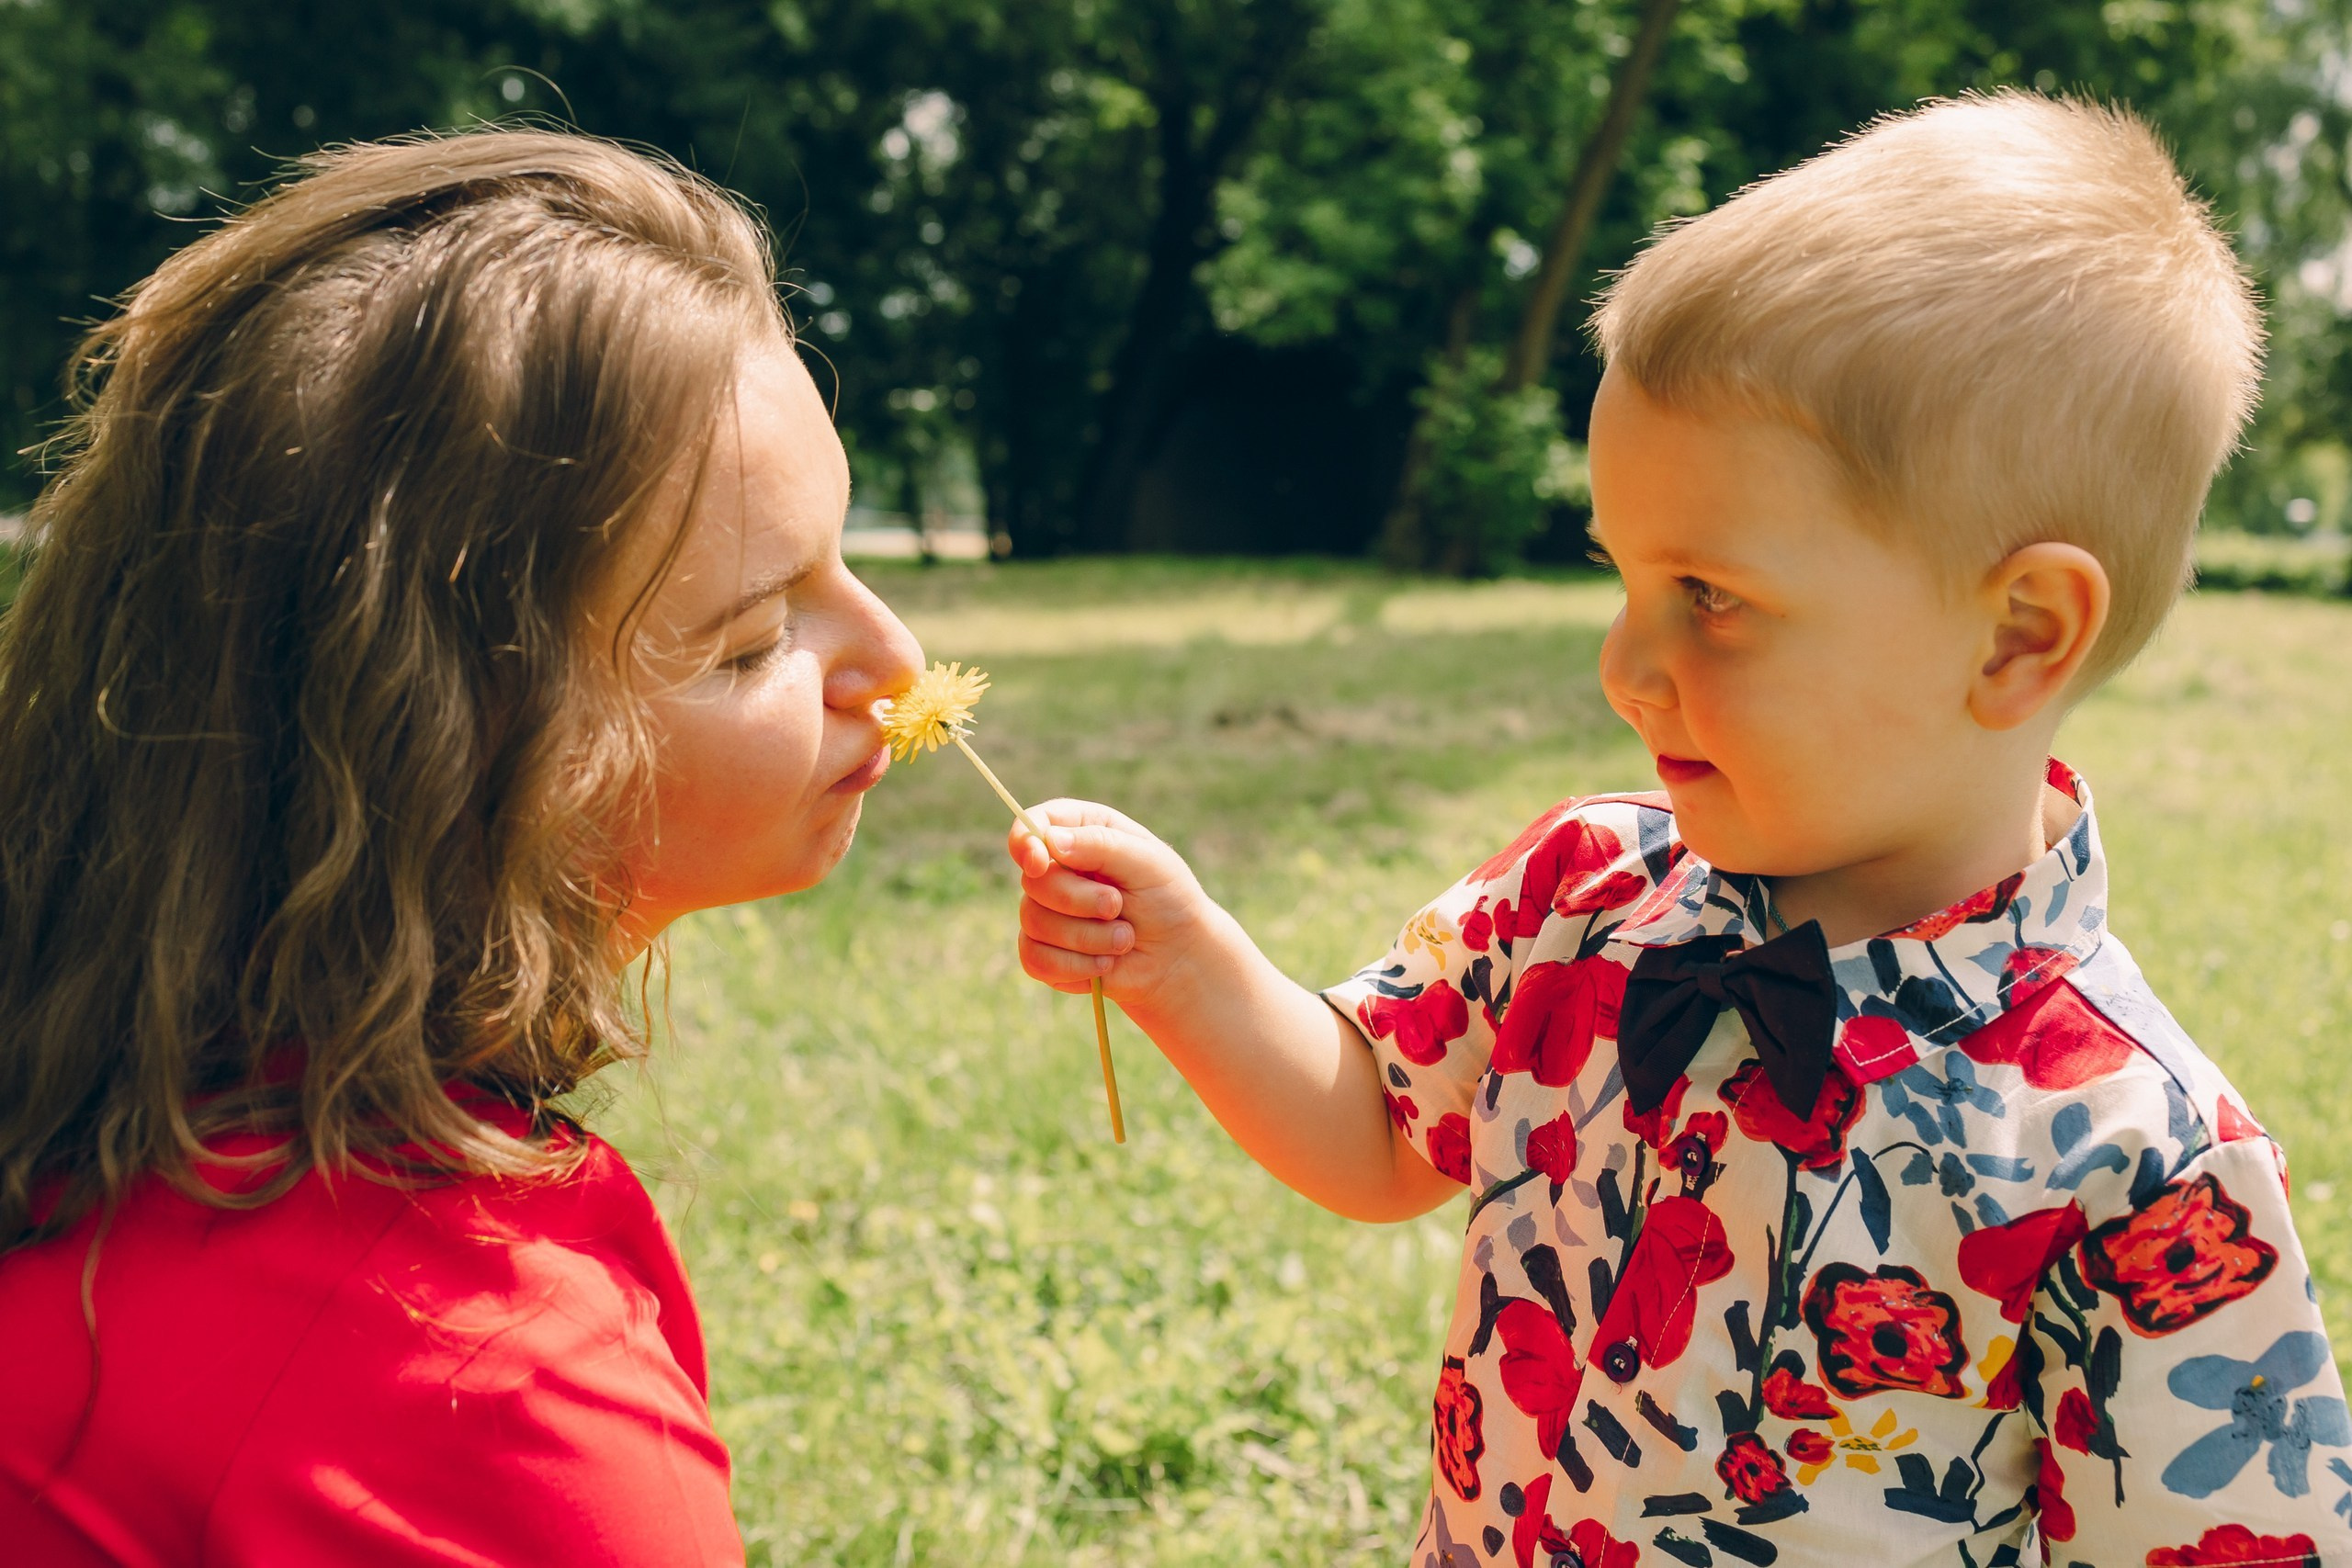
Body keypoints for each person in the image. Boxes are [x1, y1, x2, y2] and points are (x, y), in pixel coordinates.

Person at [1005, 93, 2350, 1565]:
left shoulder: (2142, 1163)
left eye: (1709, 597)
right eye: (1623, 579)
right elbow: (1383, 1131)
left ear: (2020, 634)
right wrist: (1190, 964)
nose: (1625, 666)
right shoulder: (1578, 893)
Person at [0, 130, 922, 1563]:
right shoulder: (483, 1391)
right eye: (752, 641)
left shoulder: (109, 1085)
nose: (896, 662)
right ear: (449, 748)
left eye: (846, 562)